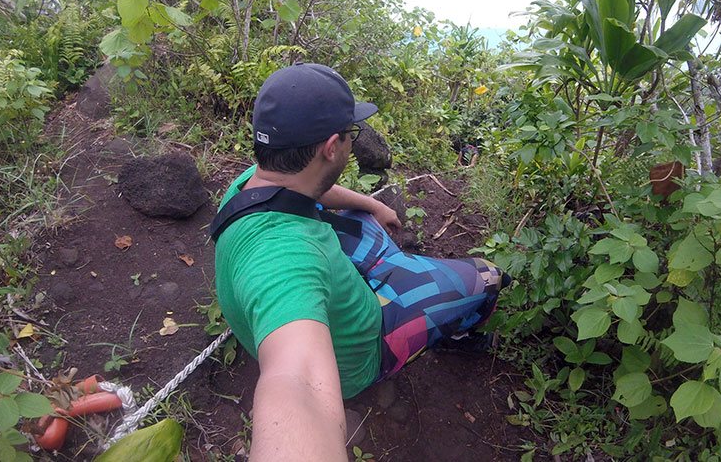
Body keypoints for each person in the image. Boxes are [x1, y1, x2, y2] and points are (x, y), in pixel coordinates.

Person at [212, 63, 507, 462]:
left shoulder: (256, 182)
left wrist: (372, 204)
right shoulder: (285, 259)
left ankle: (399, 272)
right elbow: (297, 383)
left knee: (364, 222)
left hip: (328, 296)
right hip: (364, 352)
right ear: (332, 147)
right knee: (488, 276)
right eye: (352, 135)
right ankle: (456, 337)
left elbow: (318, 191)